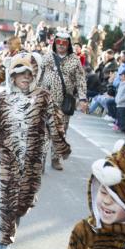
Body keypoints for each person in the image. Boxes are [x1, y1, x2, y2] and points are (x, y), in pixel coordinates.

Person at [0, 54, 70, 249]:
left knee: (25, 201)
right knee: (6, 199)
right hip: (8, 157)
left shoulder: (43, 96)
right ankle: (4, 239)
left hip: (34, 159)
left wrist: (61, 147)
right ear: (13, 77)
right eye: (20, 75)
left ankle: (12, 222)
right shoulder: (2, 98)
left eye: (29, 74)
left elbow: (55, 122)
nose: (25, 78)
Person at [39, 30, 86, 170]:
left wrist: (83, 98)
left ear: (68, 44)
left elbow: (81, 80)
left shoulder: (75, 60)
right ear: (55, 43)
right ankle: (40, 160)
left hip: (64, 102)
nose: (60, 45)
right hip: (46, 100)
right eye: (58, 42)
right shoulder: (47, 57)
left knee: (60, 131)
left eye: (64, 43)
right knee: (44, 130)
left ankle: (56, 158)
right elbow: (38, 75)